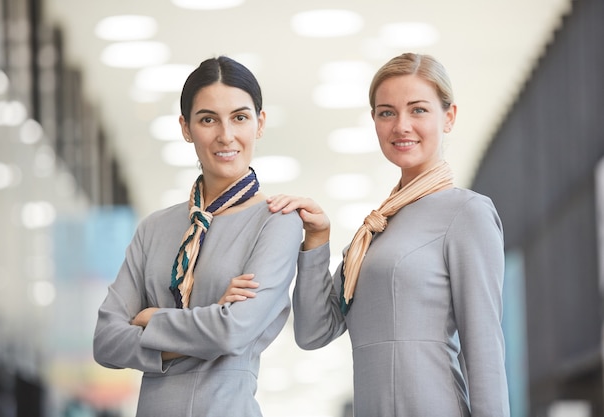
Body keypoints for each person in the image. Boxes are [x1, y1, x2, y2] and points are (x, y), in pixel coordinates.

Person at [267, 53, 510, 416]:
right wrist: (317, 241)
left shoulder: (467, 213)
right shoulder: (376, 229)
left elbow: (484, 347)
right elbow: (314, 331)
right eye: (387, 112)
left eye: (418, 110)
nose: (401, 126)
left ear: (449, 117)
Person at [93, 56, 303, 417]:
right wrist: (212, 317)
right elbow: (106, 342)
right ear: (186, 128)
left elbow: (232, 333)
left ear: (260, 123)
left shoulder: (277, 221)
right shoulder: (154, 229)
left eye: (240, 117)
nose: (226, 135)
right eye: (208, 119)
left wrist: (152, 318)